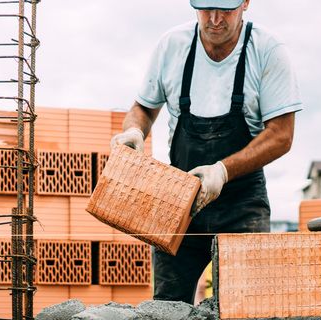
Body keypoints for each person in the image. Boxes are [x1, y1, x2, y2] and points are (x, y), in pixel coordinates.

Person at [110, 0, 303, 304]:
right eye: (205, 8)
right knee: (167, 306)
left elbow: (281, 135)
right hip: (179, 202)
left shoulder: (267, 50)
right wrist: (135, 131)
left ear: (245, 3)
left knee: (246, 305)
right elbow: (143, 108)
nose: (214, 19)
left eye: (225, 9)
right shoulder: (172, 46)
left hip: (242, 203)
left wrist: (222, 171)